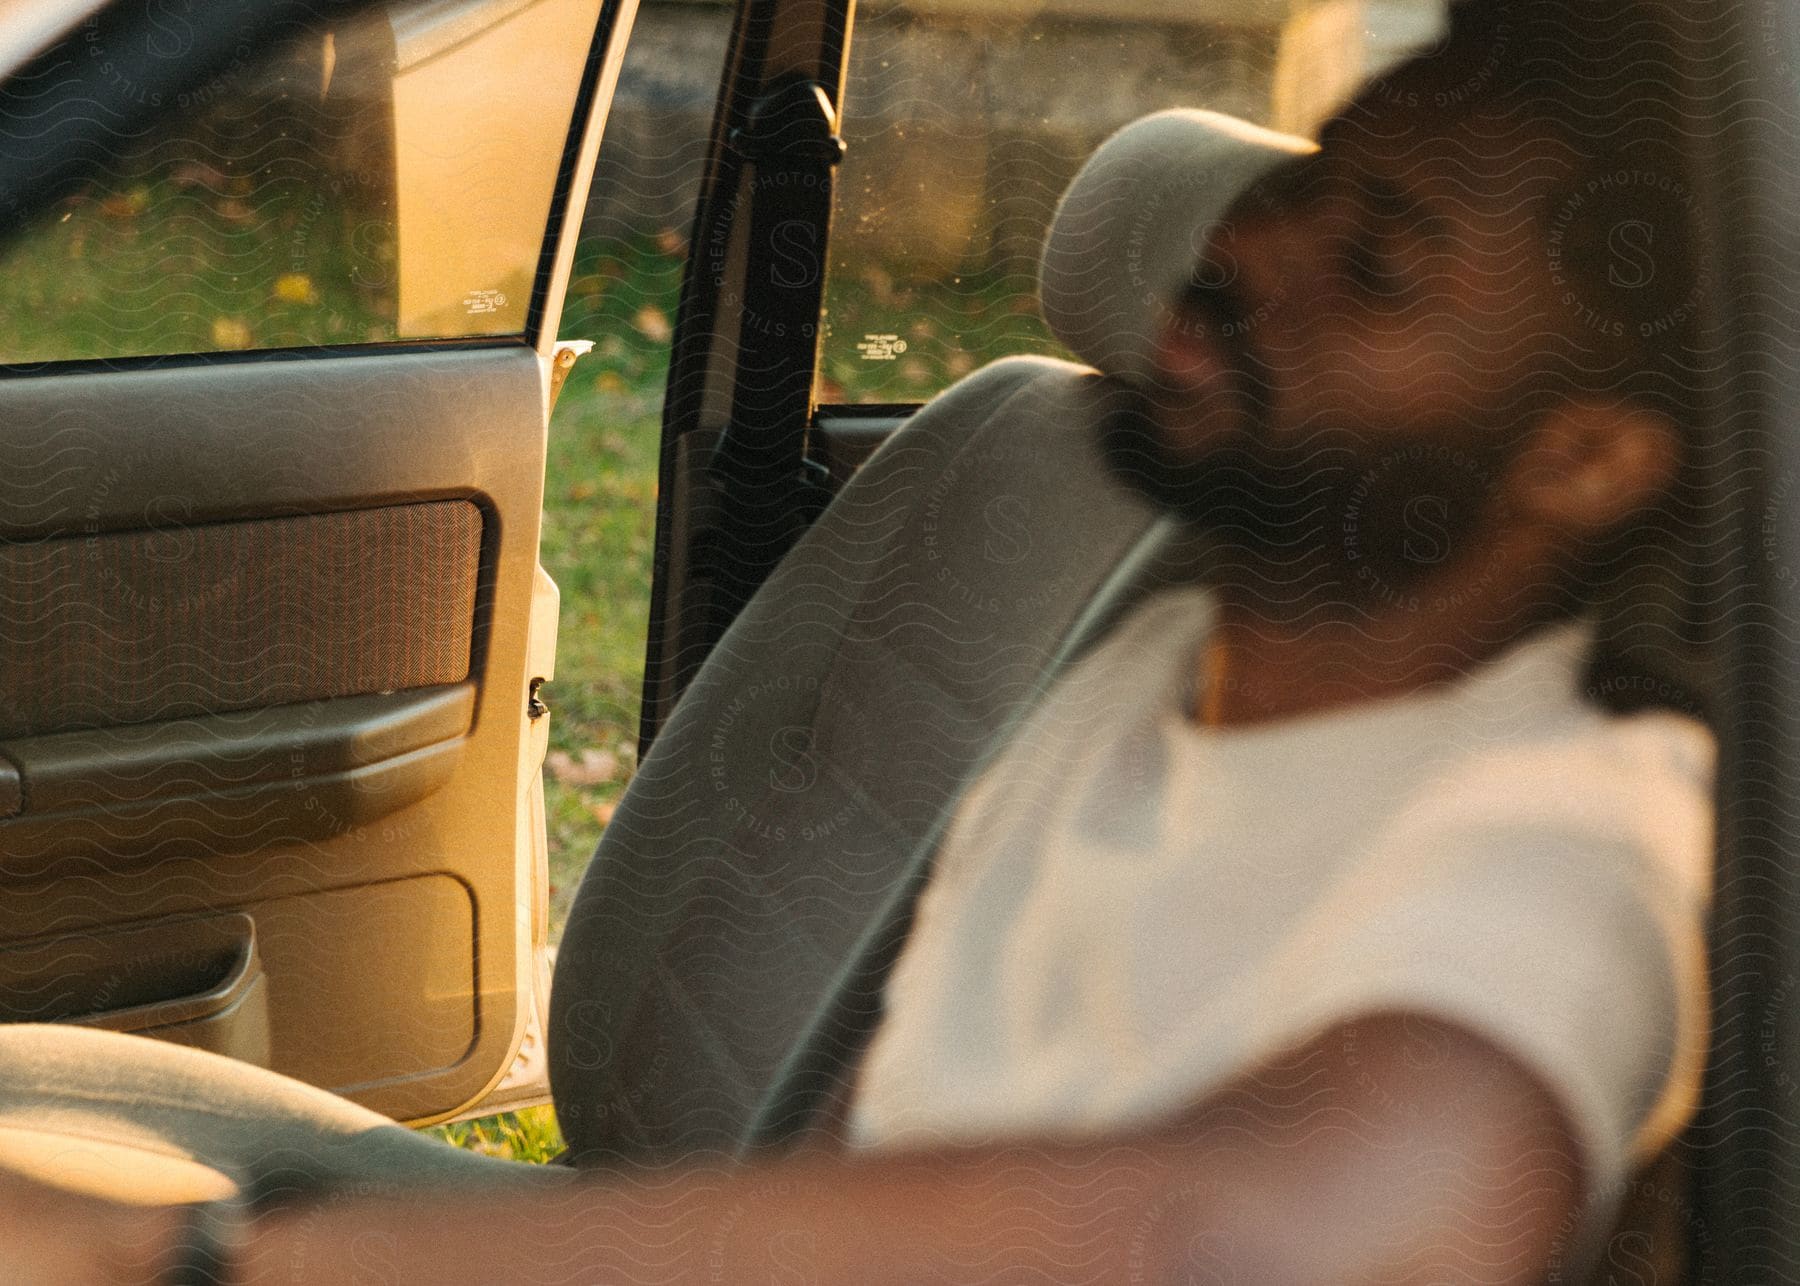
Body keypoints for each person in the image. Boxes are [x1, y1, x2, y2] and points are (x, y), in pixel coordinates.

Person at [0, 1, 1714, 1281]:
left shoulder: (1562, 828)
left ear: (1583, 459)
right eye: (1305, 188)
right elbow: (864, 1143)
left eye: (1384, 266)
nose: (1248, 245)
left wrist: (197, 1258)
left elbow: (1270, 1222)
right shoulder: (1163, 663)